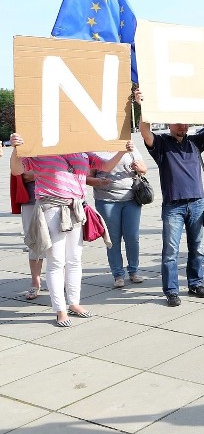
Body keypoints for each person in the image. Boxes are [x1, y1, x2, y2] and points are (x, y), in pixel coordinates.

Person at [9, 134, 134, 326]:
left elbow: (106, 166)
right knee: (57, 261)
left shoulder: (81, 150)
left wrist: (123, 150)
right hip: (51, 209)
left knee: (74, 259)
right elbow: (17, 170)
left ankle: (74, 303)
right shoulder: (41, 149)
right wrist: (16, 149)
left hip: (76, 208)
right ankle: (60, 309)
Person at [135, 89, 204, 307]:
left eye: (185, 123)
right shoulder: (161, 145)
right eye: (178, 122)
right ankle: (172, 291)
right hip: (173, 206)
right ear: (168, 124)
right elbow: (145, 131)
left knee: (197, 248)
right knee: (170, 251)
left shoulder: (196, 141)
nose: (182, 126)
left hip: (197, 203)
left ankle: (195, 283)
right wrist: (142, 105)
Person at [88, 146, 149, 288]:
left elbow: (144, 169)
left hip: (132, 198)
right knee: (113, 239)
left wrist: (139, 168)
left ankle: (133, 271)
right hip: (106, 200)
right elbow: (88, 177)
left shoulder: (130, 147)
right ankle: (118, 275)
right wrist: (98, 181)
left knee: (132, 237)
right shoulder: (96, 150)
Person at [10, 171, 44, 299]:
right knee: (33, 242)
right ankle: (35, 283)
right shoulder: (24, 151)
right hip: (31, 199)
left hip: (56, 199)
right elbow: (23, 174)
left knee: (58, 244)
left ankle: (61, 281)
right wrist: (51, 171)